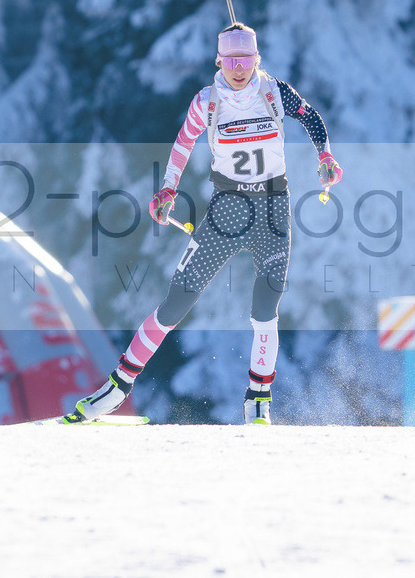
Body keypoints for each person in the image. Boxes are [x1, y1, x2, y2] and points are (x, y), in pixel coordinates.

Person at [62, 22, 342, 425]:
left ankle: (258, 401)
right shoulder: (207, 102)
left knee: (265, 310)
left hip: (272, 211)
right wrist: (167, 190)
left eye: (246, 60)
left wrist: (325, 156)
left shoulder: (274, 92)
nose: (239, 68)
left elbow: (310, 116)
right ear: (219, 62)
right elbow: (182, 145)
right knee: (175, 303)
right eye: (232, 61)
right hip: (227, 210)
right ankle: (116, 388)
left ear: (257, 60)